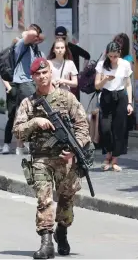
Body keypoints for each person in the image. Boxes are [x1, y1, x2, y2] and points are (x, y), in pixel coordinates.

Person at [13, 57, 91, 259]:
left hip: (65, 160)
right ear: (33, 77)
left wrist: (75, 150)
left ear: (51, 73)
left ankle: (61, 232)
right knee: (44, 200)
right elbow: (18, 132)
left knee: (66, 200)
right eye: (37, 74)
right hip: (40, 159)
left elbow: (83, 127)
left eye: (45, 72)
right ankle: (46, 242)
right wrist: (35, 122)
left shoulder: (67, 99)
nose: (42, 77)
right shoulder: (28, 104)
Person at [3, 24, 45, 155]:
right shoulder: (22, 43)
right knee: (28, 113)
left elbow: (43, 37)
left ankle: (21, 145)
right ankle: (19, 144)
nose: (36, 37)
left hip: (30, 83)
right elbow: (32, 34)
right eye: (34, 34)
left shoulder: (34, 48)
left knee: (25, 114)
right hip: (23, 83)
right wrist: (27, 34)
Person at [94, 41, 133, 172]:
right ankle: (108, 154)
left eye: (115, 56)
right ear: (107, 54)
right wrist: (105, 79)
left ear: (119, 54)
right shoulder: (101, 64)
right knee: (105, 128)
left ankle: (114, 159)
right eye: (110, 56)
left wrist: (129, 103)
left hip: (121, 97)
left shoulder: (125, 64)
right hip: (106, 96)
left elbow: (128, 84)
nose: (113, 59)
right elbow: (97, 86)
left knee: (119, 128)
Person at [55, 26, 91, 101]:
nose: (60, 40)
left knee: (73, 102)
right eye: (58, 38)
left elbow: (87, 55)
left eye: (63, 38)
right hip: (59, 80)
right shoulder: (54, 49)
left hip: (71, 80)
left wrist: (83, 71)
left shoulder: (72, 48)